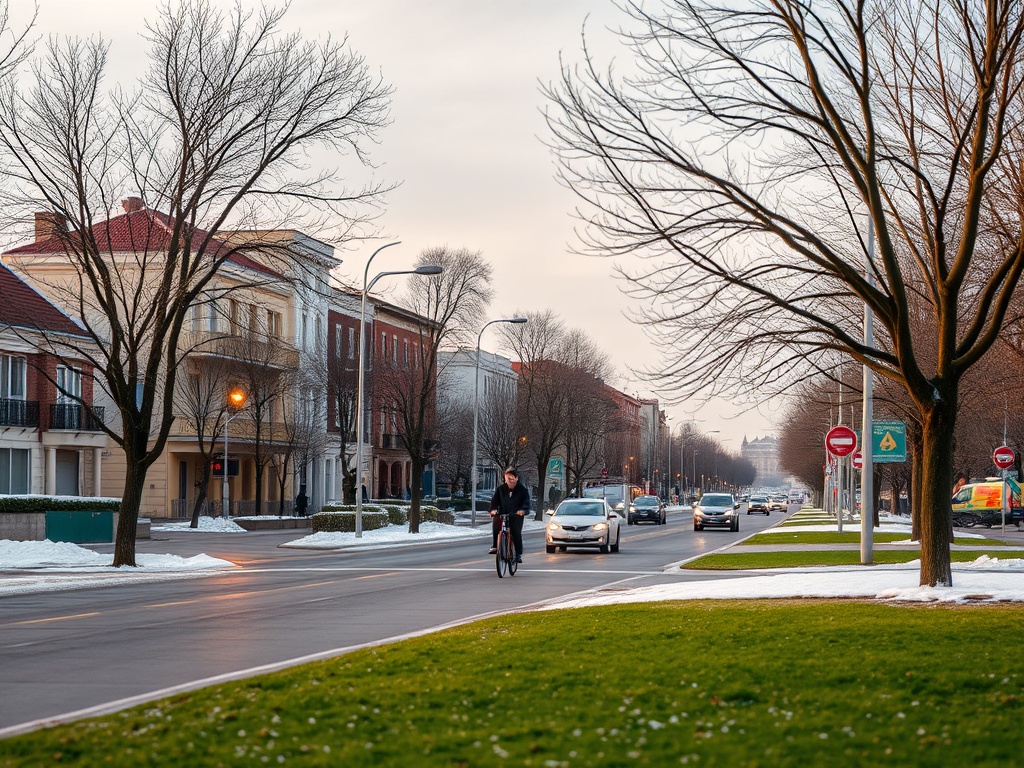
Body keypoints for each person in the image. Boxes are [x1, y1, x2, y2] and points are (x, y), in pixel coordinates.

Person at [488, 467, 530, 562]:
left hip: (516, 514)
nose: (509, 480)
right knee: (496, 522)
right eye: (507, 478)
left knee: (516, 532)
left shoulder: (522, 490)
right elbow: (494, 501)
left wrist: (522, 510)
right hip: (503, 512)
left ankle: (518, 554)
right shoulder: (501, 489)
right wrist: (493, 510)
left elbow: (526, 503)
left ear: (516, 478)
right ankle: (495, 546)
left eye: (511, 478)